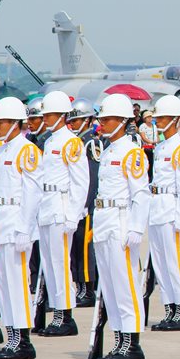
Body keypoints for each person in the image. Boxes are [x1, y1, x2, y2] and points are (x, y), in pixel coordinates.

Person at [89, 93, 150, 359]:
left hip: (122, 222)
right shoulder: (109, 149)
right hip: (105, 221)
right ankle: (119, 341)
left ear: (123, 121)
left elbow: (141, 194)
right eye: (102, 118)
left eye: (109, 118)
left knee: (126, 286)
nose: (103, 122)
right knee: (111, 288)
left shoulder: (131, 152)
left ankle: (132, 344)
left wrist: (136, 228)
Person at [0, 97, 44, 359]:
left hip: (16, 224)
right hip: (1, 221)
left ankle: (22, 339)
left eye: (0, 122)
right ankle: (10, 335)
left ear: (14, 123)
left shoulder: (27, 150)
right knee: (3, 283)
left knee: (17, 283)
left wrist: (25, 228)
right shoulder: (1, 151)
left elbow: (32, 193)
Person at [36, 91, 89, 337]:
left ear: (61, 116)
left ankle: (65, 315)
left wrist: (73, 216)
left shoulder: (71, 142)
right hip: (47, 206)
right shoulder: (49, 141)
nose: (45, 118)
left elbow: (81, 183)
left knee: (60, 264)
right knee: (49, 264)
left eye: (49, 114)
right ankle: (57, 312)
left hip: (61, 207)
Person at [147, 95, 180, 332]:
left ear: (175, 120)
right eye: (157, 118)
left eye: (164, 118)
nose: (159, 121)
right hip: (156, 207)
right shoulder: (161, 147)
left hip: (170, 209)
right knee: (160, 262)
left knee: (174, 261)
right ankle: (169, 309)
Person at [67, 98, 101, 307]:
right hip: (78, 203)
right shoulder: (78, 141)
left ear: (88, 121)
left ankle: (87, 289)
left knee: (85, 249)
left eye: (78, 121)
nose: (74, 124)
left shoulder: (91, 142)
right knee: (77, 248)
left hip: (87, 204)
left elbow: (92, 176)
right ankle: (80, 286)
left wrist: (86, 203)